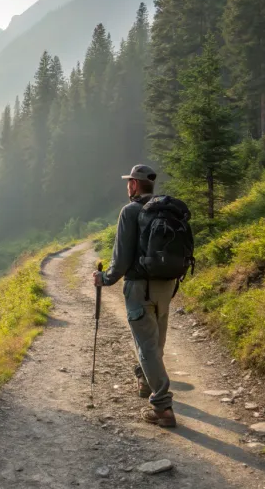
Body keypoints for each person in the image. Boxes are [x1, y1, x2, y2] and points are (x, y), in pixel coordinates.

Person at [93, 164, 177, 428]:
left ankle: (162, 407)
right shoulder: (167, 209)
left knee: (147, 346)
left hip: (140, 287)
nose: (127, 185)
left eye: (129, 181)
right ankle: (144, 380)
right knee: (155, 341)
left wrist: (104, 279)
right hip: (167, 284)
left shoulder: (130, 211)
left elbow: (120, 260)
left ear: (134, 185)